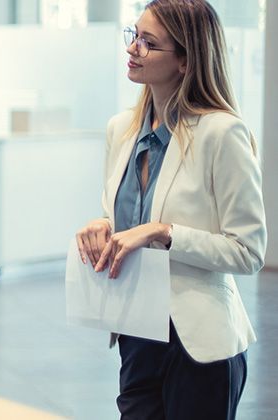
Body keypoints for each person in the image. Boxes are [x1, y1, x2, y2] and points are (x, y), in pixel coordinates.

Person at [74, 1, 263, 418]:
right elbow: (120, 214)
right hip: (137, 332)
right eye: (134, 35)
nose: (133, 49)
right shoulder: (120, 129)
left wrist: (164, 232)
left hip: (199, 345)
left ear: (184, 60)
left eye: (148, 43)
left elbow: (248, 251)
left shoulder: (222, 133)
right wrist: (101, 224)